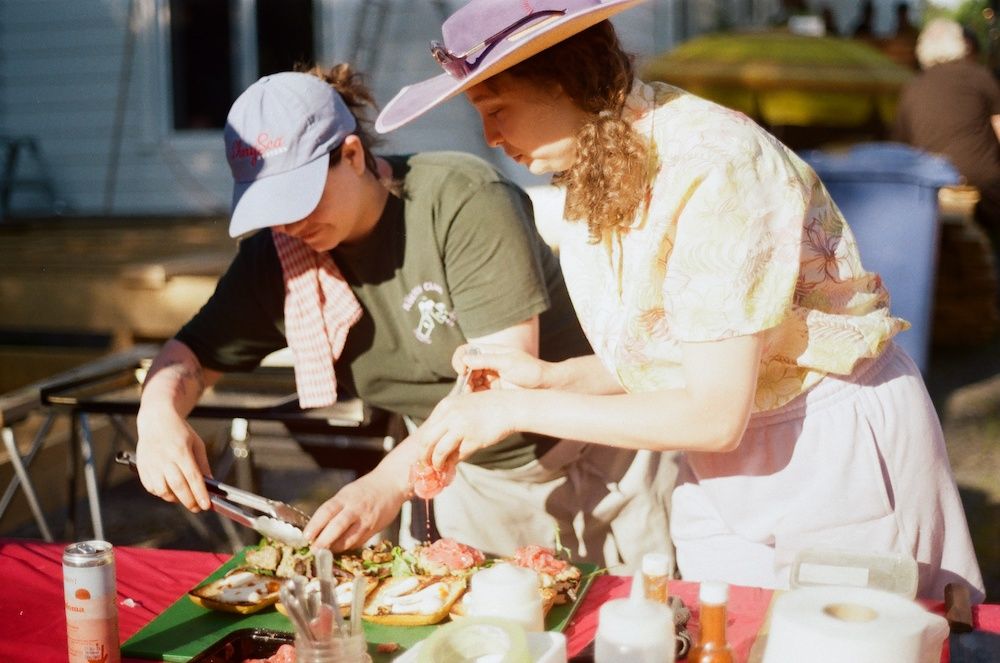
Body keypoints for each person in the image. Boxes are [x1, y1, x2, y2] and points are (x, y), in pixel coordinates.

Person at [375, 0, 986, 602]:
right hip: (727, 461)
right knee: (722, 631)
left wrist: (516, 410)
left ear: (565, 80)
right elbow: (689, 347)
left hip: (830, 448)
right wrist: (555, 377)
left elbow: (714, 414)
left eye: (497, 109)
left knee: (850, 637)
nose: (490, 136)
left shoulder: (717, 161)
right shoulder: (602, 157)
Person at [133, 64, 676, 573]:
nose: (288, 224)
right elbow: (190, 355)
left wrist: (386, 485)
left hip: (599, 451)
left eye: (298, 198)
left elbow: (498, 381)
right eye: (268, 207)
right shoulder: (280, 259)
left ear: (351, 155)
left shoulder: (461, 198)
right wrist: (157, 417)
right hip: (468, 480)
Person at [893, 18, 1000, 266]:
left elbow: (902, 151)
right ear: (960, 45)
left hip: (932, 188)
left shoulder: (913, 87)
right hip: (984, 186)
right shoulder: (980, 77)